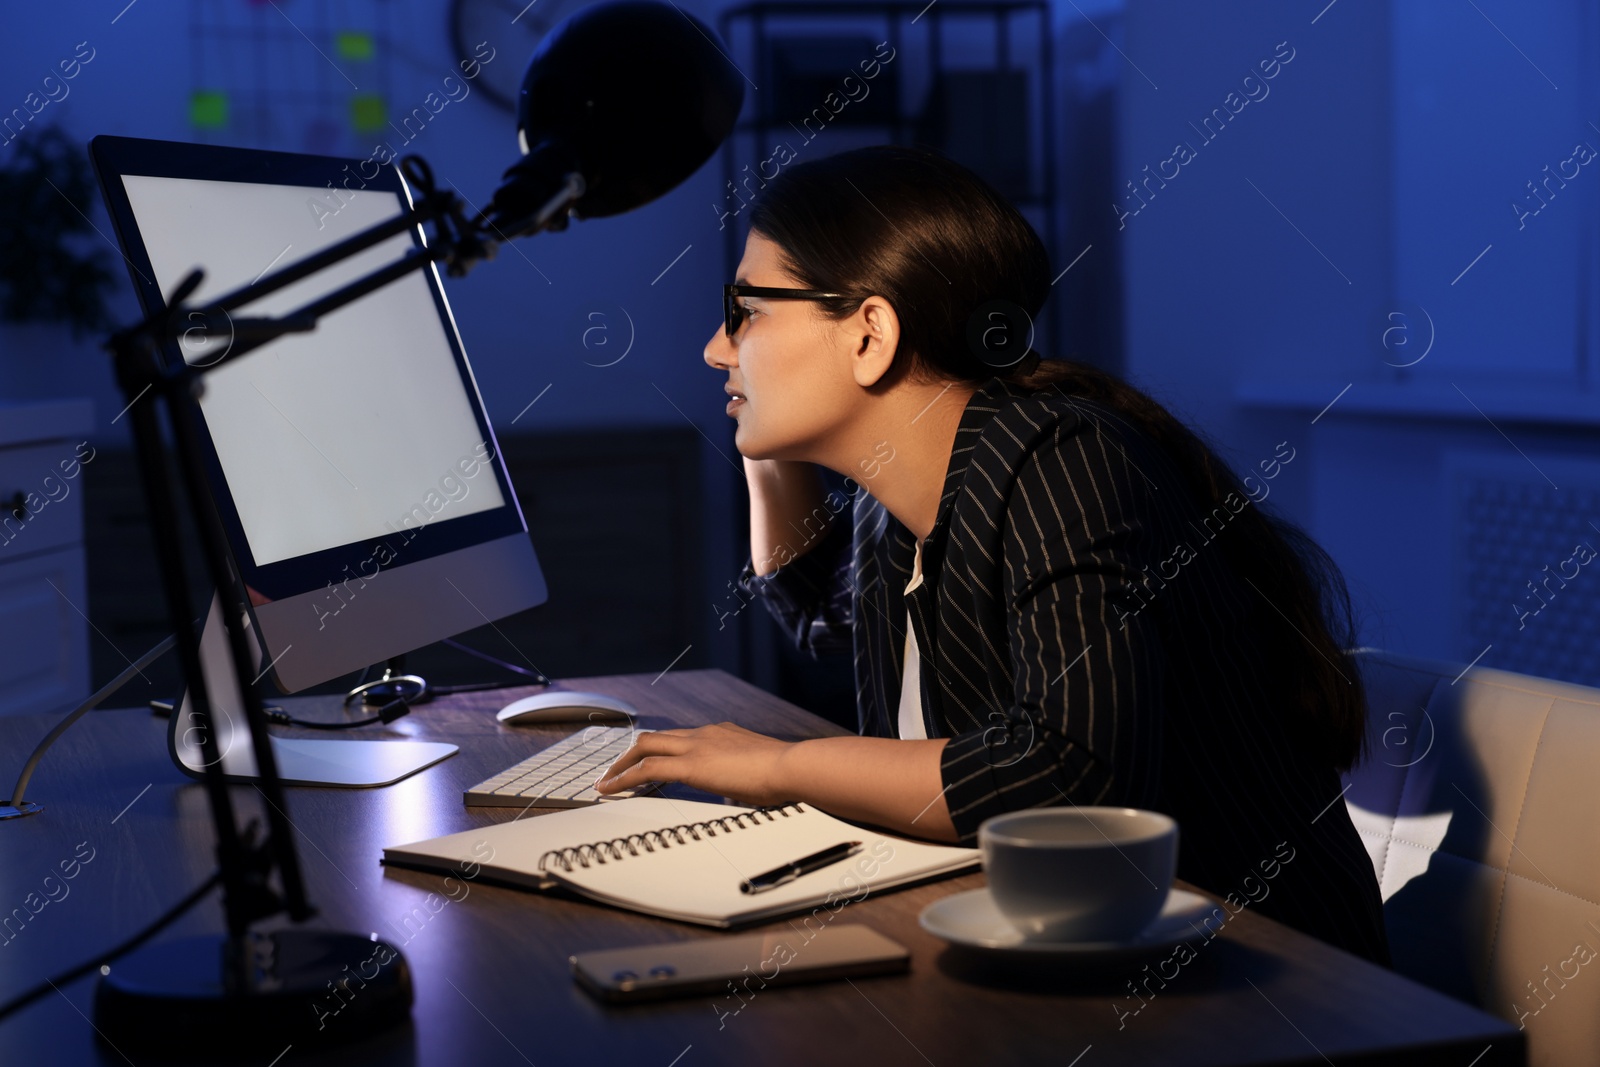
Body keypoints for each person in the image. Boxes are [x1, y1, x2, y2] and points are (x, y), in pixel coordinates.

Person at [597, 144, 1390, 965]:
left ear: (870, 333)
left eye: (746, 312)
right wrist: (763, 429)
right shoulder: (900, 494)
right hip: (1066, 963)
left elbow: (1068, 777)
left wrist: (781, 767)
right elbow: (814, 605)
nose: (715, 350)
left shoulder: (1065, 459)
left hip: (1267, 990)